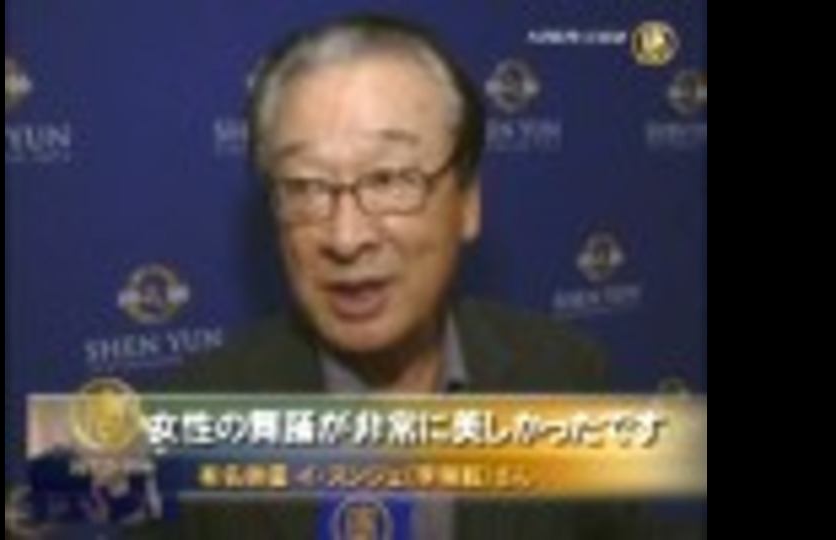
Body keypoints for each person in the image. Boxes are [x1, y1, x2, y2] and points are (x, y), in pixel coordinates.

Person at [127, 12, 657, 539]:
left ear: (468, 202)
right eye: (305, 186)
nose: (346, 237)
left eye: (388, 179)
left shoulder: (565, 376)